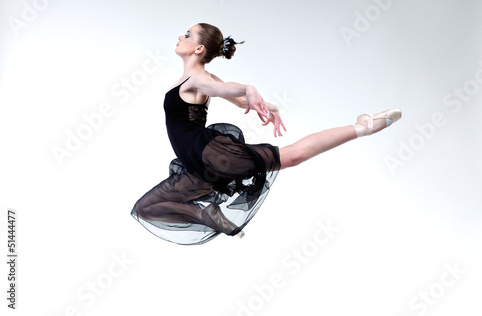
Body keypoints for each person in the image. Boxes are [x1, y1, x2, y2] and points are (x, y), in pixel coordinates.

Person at [131, 23, 402, 245]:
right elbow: (233, 97)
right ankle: (206, 215)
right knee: (147, 207)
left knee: (291, 156)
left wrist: (247, 89)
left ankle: (364, 126)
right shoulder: (201, 79)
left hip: (207, 154)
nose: (181, 36)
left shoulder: (199, 79)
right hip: (197, 167)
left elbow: (226, 91)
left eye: (187, 35)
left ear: (199, 48)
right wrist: (262, 103)